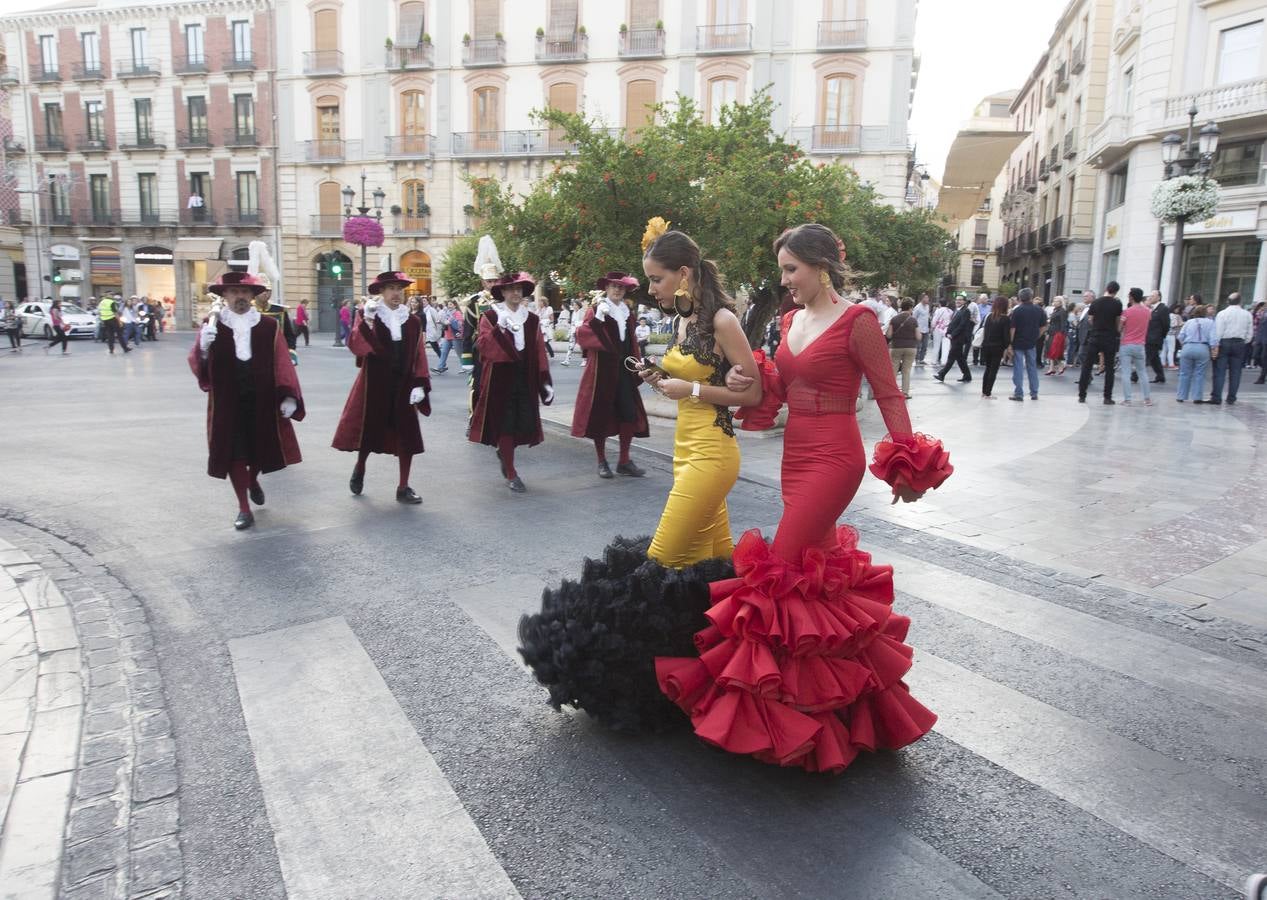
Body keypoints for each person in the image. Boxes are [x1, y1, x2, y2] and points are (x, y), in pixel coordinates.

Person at [658, 222, 952, 773]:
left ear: (821, 266)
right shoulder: (791, 319)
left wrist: (909, 463)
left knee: (777, 571)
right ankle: (839, 716)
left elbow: (888, 392)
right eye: (782, 271)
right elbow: (780, 390)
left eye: (792, 270)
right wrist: (754, 378)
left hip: (836, 458)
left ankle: (767, 715)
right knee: (813, 583)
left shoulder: (858, 320)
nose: (786, 281)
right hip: (796, 454)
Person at [518, 222, 761, 733]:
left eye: (656, 279)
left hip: (714, 456)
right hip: (686, 451)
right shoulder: (684, 320)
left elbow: (752, 395)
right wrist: (658, 378)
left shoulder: (721, 320)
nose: (650, 289)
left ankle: (626, 683)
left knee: (659, 563)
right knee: (716, 573)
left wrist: (689, 393)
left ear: (684, 273)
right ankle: (730, 684)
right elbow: (698, 379)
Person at [189, 272, 304, 531]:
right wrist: (203, 349)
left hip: (262, 397)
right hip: (226, 401)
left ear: (253, 296)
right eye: (233, 292)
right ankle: (243, 507)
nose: (239, 297)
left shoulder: (269, 326)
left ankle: (253, 480)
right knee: (234, 453)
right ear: (224, 296)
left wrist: (288, 394)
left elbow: (282, 361)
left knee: (261, 449)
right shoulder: (212, 323)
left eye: (244, 292)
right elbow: (198, 363)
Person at [332, 271, 432, 504]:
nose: (396, 293)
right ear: (381, 292)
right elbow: (356, 346)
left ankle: (403, 486)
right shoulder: (369, 315)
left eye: (399, 288)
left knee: (407, 435)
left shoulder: (413, 321)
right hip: (374, 382)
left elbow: (419, 354)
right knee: (369, 429)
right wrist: (366, 321)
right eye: (391, 289)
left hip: (404, 384)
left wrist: (420, 383)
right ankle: (360, 466)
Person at [468, 272, 553, 492]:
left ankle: (505, 455)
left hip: (525, 375)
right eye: (510, 289)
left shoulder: (532, 318)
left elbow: (538, 350)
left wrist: (545, 381)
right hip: (500, 377)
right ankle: (511, 471)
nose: (515, 293)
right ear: (503, 292)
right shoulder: (490, 317)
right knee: (505, 423)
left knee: (520, 422)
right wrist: (499, 330)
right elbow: (483, 347)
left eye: (519, 289)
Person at [571, 272, 650, 479]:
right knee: (601, 416)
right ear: (606, 288)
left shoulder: (627, 313)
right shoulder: (597, 310)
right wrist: (597, 319)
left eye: (621, 287)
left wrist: (638, 363)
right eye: (614, 286)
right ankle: (601, 461)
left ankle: (624, 460)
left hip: (624, 370)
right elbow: (583, 336)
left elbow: (631, 342)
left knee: (629, 414)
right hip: (602, 372)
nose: (617, 290)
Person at [1078, 281, 1123, 404]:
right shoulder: (1117, 304)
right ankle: (1107, 397)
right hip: (1109, 337)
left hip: (1095, 336)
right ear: (1116, 291)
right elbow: (1117, 322)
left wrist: (1097, 326)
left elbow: (1091, 319)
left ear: (1106, 289)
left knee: (1087, 366)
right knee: (1109, 368)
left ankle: (1082, 395)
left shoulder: (1096, 302)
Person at [1210, 291, 1253, 405]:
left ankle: (1217, 397)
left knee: (1220, 371)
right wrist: (1245, 341)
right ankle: (1231, 397)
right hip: (1239, 343)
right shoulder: (1247, 314)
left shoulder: (1222, 313)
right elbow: (1250, 333)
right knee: (1236, 372)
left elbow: (1218, 331)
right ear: (1240, 301)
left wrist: (1215, 345)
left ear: (1228, 301)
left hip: (1225, 342)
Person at [1006, 287, 1047, 401]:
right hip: (1031, 342)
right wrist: (1036, 336)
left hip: (1018, 342)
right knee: (1032, 367)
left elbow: (1012, 329)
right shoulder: (1039, 310)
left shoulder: (1017, 310)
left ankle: (1019, 393)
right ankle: (1034, 392)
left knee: (1018, 368)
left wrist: (1010, 344)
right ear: (1031, 296)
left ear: (1020, 298)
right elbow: (1044, 327)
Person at [1118, 288, 1153, 406]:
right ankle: (1147, 398)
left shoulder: (1126, 312)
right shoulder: (1148, 311)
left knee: (1126, 372)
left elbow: (1120, 328)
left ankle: (1127, 399)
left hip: (1126, 344)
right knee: (1142, 372)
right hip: (1140, 345)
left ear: (1131, 297)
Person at [1176, 305, 1216, 403]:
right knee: (1200, 374)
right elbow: (1214, 339)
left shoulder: (1189, 322)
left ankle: (1181, 396)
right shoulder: (1210, 322)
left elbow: (1180, 336)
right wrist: (1213, 349)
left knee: (1184, 373)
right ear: (1205, 313)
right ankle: (1197, 397)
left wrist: (1184, 345)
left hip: (1188, 347)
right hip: (1203, 347)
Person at [933, 295, 973, 383]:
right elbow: (953, 323)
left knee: (951, 357)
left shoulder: (966, 311)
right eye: (957, 300)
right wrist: (948, 332)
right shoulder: (957, 310)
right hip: (954, 337)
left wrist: (953, 334)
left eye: (960, 300)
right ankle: (967, 375)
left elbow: (962, 325)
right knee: (960, 358)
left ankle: (942, 374)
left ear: (964, 301)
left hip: (959, 338)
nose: (958, 301)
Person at [886, 297, 920, 399]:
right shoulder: (913, 320)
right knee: (906, 371)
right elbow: (918, 336)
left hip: (896, 347)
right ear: (910, 308)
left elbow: (889, 335)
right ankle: (905, 393)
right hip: (910, 348)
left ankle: (891, 392)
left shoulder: (894, 319)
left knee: (893, 370)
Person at [979, 295, 1011, 398]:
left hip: (986, 346)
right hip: (997, 347)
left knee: (987, 369)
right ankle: (988, 393)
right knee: (993, 370)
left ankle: (984, 392)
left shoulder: (989, 317)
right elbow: (1006, 336)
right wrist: (1008, 346)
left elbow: (986, 332)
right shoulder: (1005, 319)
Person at [1146, 291, 1169, 383]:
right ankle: (1160, 376)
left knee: (1146, 357)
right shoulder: (1150, 308)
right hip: (1148, 337)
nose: (1150, 298)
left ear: (1159, 297)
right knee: (1154, 358)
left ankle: (1135, 375)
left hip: (1154, 338)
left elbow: (1166, 325)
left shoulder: (1163, 309)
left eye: (1152, 296)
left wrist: (1161, 336)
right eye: (1150, 296)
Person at [1043, 296, 1068, 375]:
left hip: (1057, 334)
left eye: (1057, 301)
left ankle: (1059, 366)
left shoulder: (1062, 311)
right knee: (1051, 350)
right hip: (1051, 332)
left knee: (1054, 350)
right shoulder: (1055, 310)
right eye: (1054, 300)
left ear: (1061, 302)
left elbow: (1063, 323)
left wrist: (1062, 334)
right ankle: (1053, 368)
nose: (1054, 302)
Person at [929, 298, 952, 366]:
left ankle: (934, 361)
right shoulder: (950, 311)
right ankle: (944, 361)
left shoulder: (938, 310)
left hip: (938, 329)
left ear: (939, 304)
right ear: (946, 304)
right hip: (947, 329)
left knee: (936, 345)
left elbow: (934, 320)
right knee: (946, 346)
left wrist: (932, 328)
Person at [914, 294, 932, 365]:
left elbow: (927, 317)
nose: (928, 299)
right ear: (922, 299)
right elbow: (914, 318)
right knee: (918, 345)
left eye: (928, 298)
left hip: (926, 329)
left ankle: (922, 359)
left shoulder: (927, 306)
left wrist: (929, 326)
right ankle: (917, 359)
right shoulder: (917, 307)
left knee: (925, 345)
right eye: (926, 298)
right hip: (919, 329)